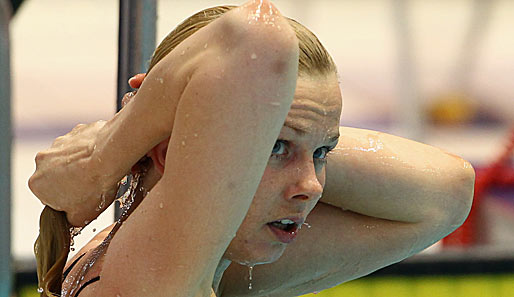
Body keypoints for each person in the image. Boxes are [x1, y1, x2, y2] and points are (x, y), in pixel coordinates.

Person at [28, 1, 475, 296]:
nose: (312, 187)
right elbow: (255, 39)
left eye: (322, 154)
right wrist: (99, 160)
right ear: (166, 147)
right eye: (274, 146)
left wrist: (283, 140)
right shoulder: (150, 276)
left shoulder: (210, 264)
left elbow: (447, 192)